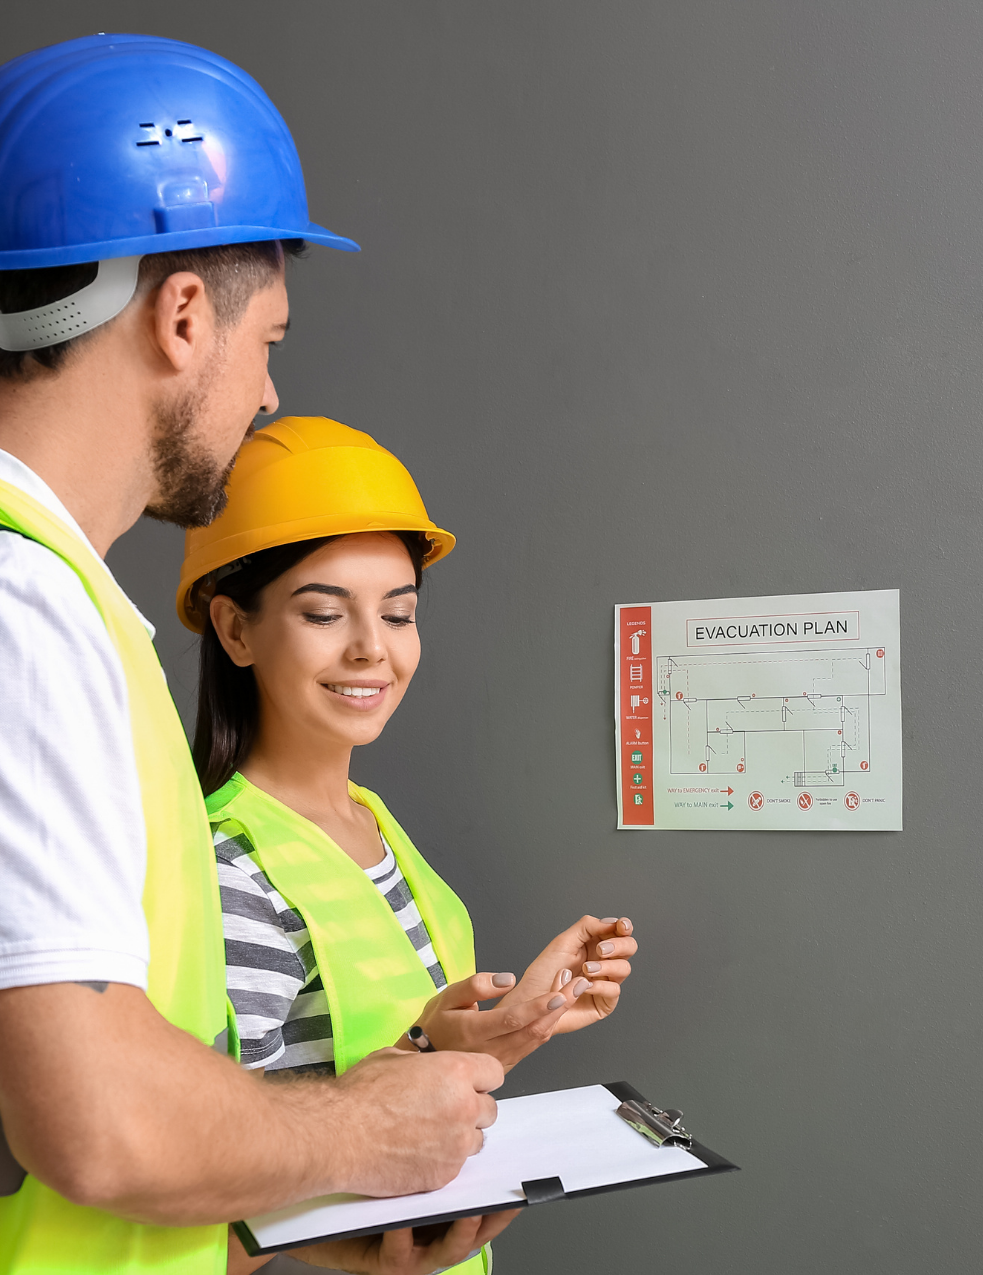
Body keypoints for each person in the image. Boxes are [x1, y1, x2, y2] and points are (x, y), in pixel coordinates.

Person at [0, 35, 507, 1275]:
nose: (270, 393)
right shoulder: (23, 606)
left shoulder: (67, 602)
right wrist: (358, 1129)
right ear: (182, 315)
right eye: (269, 340)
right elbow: (100, 1125)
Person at [175, 415, 638, 1274]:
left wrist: (513, 1022)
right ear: (236, 631)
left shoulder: (372, 820)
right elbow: (197, 1197)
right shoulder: (228, 863)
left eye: (399, 613)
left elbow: (388, 1079)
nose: (372, 649)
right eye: (323, 612)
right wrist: (352, 1252)